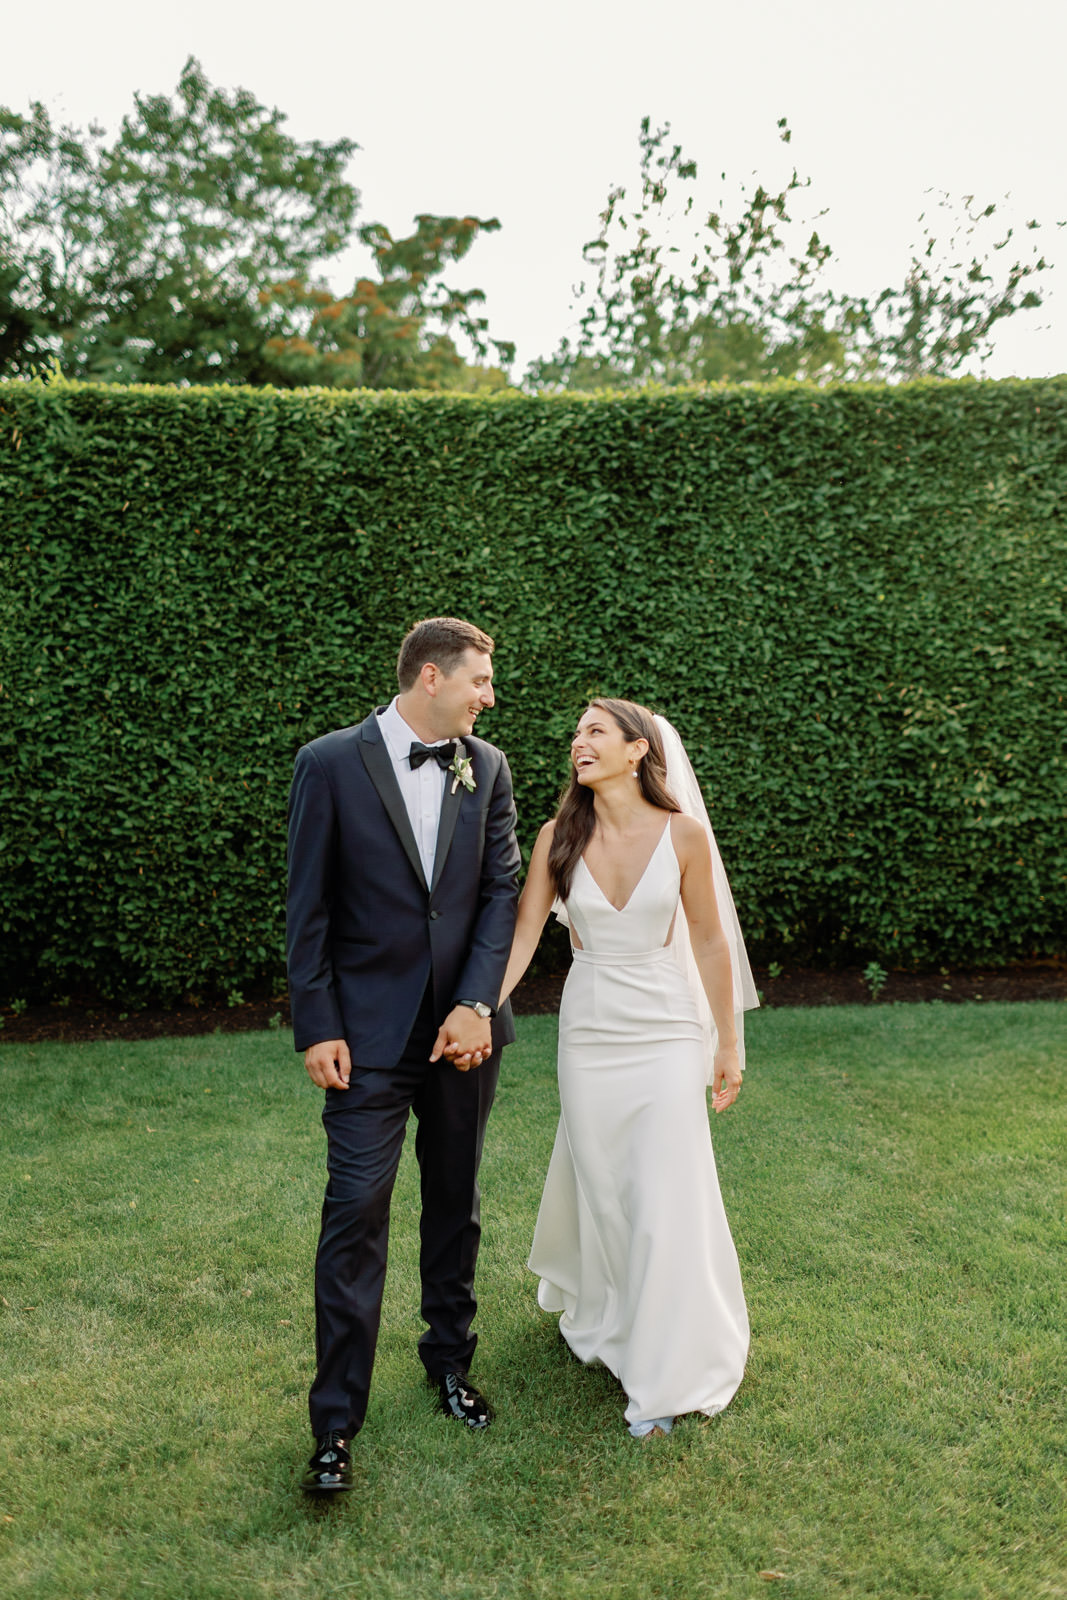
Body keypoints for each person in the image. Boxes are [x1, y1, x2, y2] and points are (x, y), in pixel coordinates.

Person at [286, 617, 520, 1493]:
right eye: (480, 682)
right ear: (432, 677)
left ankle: (450, 1367)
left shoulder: (486, 766)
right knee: (354, 1212)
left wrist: (473, 1006)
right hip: (367, 1037)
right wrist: (318, 1024)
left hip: (462, 1040)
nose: (488, 697)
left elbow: (499, 893)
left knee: (454, 1203)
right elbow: (306, 907)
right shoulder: (329, 764)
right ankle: (335, 1425)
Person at [499, 698, 758, 1438]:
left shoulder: (683, 835)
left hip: (668, 1031)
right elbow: (522, 939)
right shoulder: (558, 836)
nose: (577, 743)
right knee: (608, 1190)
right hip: (588, 1034)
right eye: (576, 733)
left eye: (594, 731)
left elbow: (709, 942)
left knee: (663, 1194)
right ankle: (615, 1319)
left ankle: (670, 1368)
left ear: (637, 750)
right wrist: (480, 1008)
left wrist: (726, 1044)